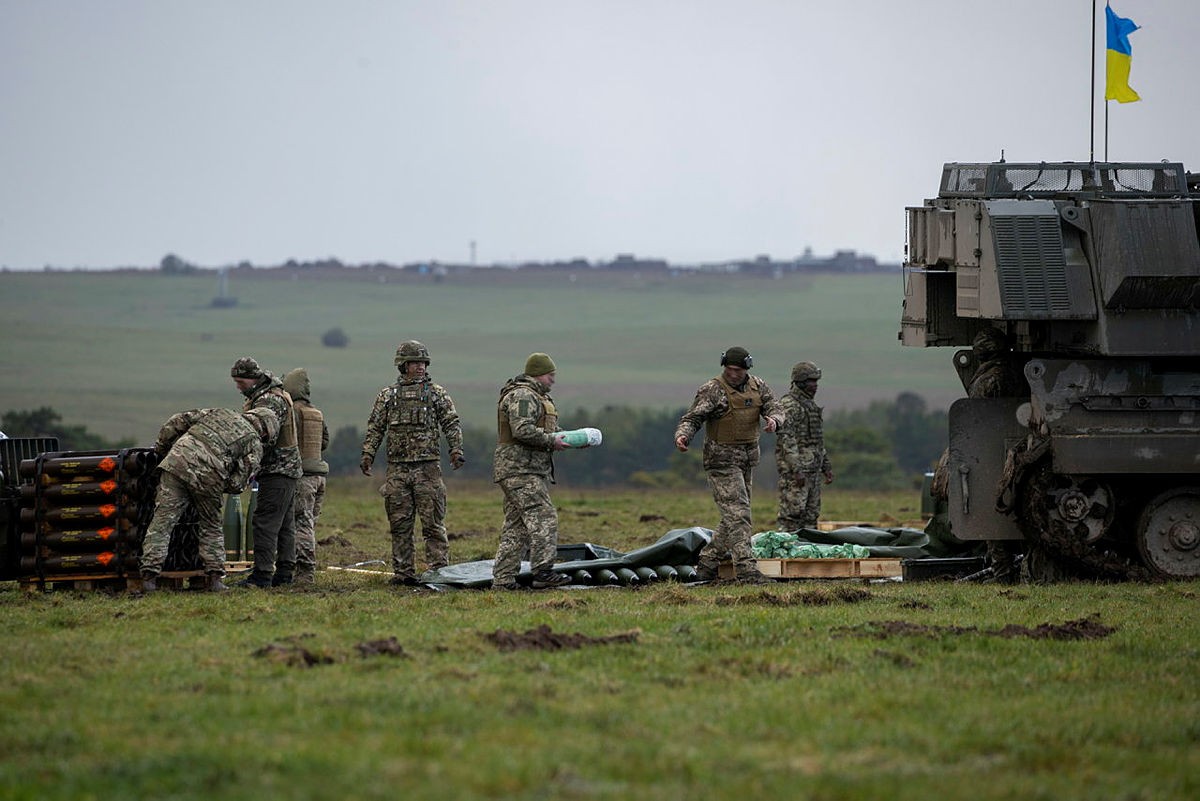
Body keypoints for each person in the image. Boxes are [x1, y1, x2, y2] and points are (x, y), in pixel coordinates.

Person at [675, 347, 785, 583]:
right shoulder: (712, 389)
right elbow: (693, 418)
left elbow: (775, 407)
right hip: (721, 461)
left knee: (733, 517)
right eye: (729, 369)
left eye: (738, 370)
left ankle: (707, 563)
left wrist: (775, 421)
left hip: (746, 459)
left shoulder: (758, 386)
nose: (733, 374)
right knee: (739, 514)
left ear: (747, 369)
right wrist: (683, 436)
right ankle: (746, 569)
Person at [360, 340, 465, 586]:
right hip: (397, 470)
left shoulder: (436, 393)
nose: (420, 367)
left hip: (427, 469)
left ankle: (439, 571)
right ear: (403, 365)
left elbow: (451, 422)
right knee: (399, 524)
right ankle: (403, 572)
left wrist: (456, 449)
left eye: (423, 362)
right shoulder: (387, 396)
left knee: (433, 525)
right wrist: (368, 454)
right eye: (415, 362)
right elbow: (376, 427)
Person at [140, 407, 279, 592]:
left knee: (161, 523)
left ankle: (149, 577)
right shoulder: (254, 443)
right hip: (210, 478)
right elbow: (239, 484)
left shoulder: (220, 412)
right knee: (211, 526)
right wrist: (222, 483)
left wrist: (162, 449)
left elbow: (177, 421)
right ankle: (214, 579)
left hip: (176, 464)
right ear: (265, 431)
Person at [491, 352, 572, 590]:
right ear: (538, 374)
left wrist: (570, 439)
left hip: (525, 469)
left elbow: (547, 430)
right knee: (543, 516)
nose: (553, 380)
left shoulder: (537, 397)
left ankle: (503, 580)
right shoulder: (524, 396)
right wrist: (551, 441)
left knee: (516, 526)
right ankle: (543, 572)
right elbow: (522, 430)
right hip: (519, 469)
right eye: (551, 375)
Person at [231, 356, 302, 588]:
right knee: (284, 525)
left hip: (277, 469)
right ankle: (284, 573)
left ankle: (262, 575)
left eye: (240, 381)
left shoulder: (268, 401)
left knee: (265, 522)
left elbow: (263, 436)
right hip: (285, 470)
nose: (238, 386)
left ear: (253, 379)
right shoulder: (270, 396)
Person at [282, 368, 329, 587]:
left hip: (302, 478)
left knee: (301, 525)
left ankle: (304, 573)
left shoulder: (292, 413)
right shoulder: (316, 413)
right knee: (308, 524)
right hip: (319, 477)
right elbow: (324, 442)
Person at [775, 361, 834, 532]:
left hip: (812, 472)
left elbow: (816, 441)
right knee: (791, 516)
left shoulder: (810, 406)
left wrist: (826, 466)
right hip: (796, 474)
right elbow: (787, 439)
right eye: (811, 381)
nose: (815, 386)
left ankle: (806, 555)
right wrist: (796, 469)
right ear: (800, 382)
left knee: (811, 516)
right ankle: (785, 553)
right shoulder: (789, 405)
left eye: (816, 381)